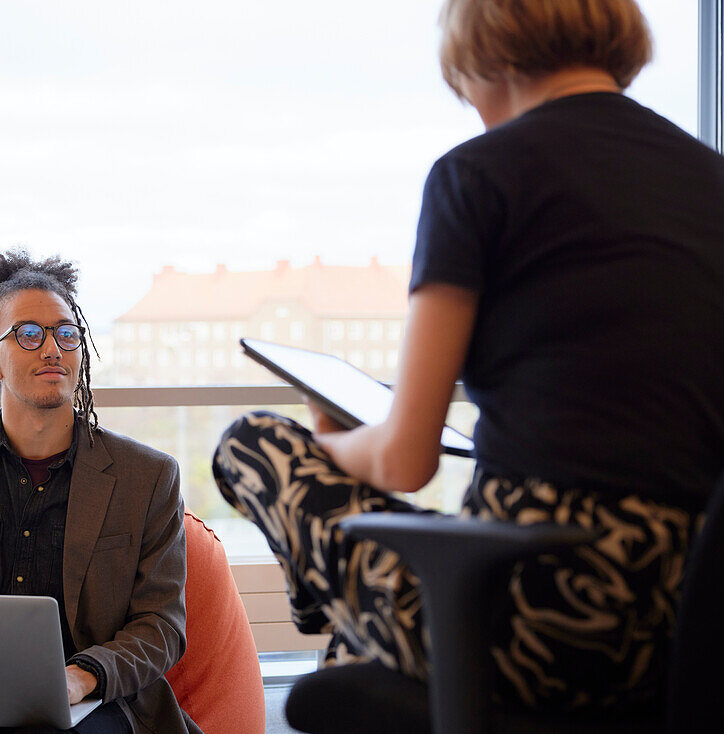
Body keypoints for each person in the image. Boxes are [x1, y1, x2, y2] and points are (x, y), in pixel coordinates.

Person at [213, 0, 724, 713]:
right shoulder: (710, 175)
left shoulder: (477, 175)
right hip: (691, 623)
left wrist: (334, 442)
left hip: (540, 616)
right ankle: (343, 623)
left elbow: (403, 461)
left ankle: (325, 603)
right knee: (344, 656)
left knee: (251, 443)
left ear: (485, 52)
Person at [0, 249, 200, 734]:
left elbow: (161, 626)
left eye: (66, 333)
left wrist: (81, 676)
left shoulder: (149, 476)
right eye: (29, 334)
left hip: (98, 700)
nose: (52, 348)